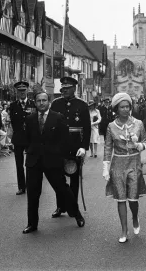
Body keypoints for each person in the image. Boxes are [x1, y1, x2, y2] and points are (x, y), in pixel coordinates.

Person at [22, 91, 85, 234]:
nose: (41, 103)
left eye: (44, 100)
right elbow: (26, 139)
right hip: (34, 161)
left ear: (48, 102)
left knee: (62, 189)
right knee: (33, 193)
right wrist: (31, 150)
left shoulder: (58, 118)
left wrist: (68, 157)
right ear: (35, 102)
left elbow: (65, 140)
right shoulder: (30, 119)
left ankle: (76, 214)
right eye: (38, 101)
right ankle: (32, 223)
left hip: (52, 160)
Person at [103, 92, 146, 243]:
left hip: (134, 163)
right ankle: (124, 230)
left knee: (133, 199)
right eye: (122, 107)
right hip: (118, 164)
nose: (126, 109)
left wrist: (138, 144)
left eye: (128, 106)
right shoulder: (110, 126)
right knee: (120, 199)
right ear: (116, 109)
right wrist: (105, 167)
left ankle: (135, 217)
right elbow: (108, 148)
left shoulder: (139, 124)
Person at [50, 76, 91, 218]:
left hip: (75, 145)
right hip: (59, 146)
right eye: (63, 89)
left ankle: (73, 207)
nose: (64, 91)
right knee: (58, 178)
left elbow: (87, 127)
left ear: (74, 89)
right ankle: (60, 206)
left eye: (67, 89)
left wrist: (84, 147)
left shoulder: (82, 104)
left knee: (74, 178)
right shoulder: (55, 103)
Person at [9, 81, 36, 195]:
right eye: (19, 91)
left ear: (27, 91)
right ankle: (21, 187)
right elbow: (12, 123)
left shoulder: (33, 104)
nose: (22, 93)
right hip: (19, 138)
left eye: (23, 90)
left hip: (31, 138)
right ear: (17, 92)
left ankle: (32, 185)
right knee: (19, 164)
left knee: (32, 163)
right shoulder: (13, 105)